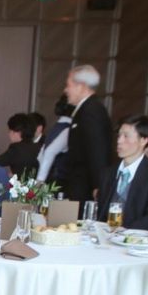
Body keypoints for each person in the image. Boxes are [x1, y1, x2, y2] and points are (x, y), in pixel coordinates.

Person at [95, 115, 148, 235]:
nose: (119, 141)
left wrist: (123, 232)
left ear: (144, 140)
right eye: (119, 135)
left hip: (140, 239)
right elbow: (101, 214)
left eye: (126, 136)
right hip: (106, 237)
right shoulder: (108, 172)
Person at [63, 64, 113, 202]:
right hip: (80, 184)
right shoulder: (86, 109)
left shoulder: (91, 111)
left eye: (68, 85)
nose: (65, 90)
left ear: (81, 86)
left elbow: (98, 150)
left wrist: (98, 185)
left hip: (85, 187)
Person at [37, 94, 73, 186]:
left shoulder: (56, 127)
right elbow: (49, 152)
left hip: (51, 179)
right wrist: (40, 180)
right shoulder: (68, 129)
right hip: (59, 180)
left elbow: (41, 155)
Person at [0, 113, 39, 179]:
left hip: (21, 184)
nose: (9, 134)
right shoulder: (37, 146)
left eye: (10, 131)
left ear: (17, 132)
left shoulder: (16, 148)